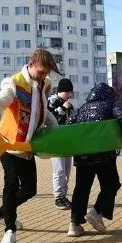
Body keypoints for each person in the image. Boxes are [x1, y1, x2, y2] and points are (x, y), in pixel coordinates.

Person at [0, 49, 60, 243]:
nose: (44, 76)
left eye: (47, 73)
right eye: (41, 71)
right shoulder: (14, 83)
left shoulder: (44, 85)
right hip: (7, 143)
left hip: (27, 146)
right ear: (31, 64)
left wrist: (57, 130)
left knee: (30, 189)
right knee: (11, 185)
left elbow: (43, 112)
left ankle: (2, 214)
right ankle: (9, 231)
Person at [66, 83, 122, 236]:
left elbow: (69, 125)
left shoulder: (82, 107)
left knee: (81, 188)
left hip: (83, 154)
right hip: (104, 152)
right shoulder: (112, 103)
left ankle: (74, 224)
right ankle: (97, 213)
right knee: (112, 184)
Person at [47, 78, 74, 209]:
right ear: (61, 91)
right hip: (55, 140)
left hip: (68, 141)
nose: (70, 95)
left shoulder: (69, 104)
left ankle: (63, 195)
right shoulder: (52, 101)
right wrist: (62, 108)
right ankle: (58, 197)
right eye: (68, 92)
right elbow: (50, 119)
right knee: (59, 169)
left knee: (67, 169)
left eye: (71, 93)